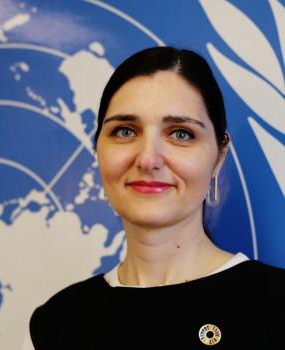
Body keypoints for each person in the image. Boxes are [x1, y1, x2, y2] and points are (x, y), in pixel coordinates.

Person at [29, 46, 285, 349]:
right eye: (125, 131)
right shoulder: (55, 323)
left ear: (219, 156)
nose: (148, 159)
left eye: (180, 134)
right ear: (98, 149)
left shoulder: (277, 307)